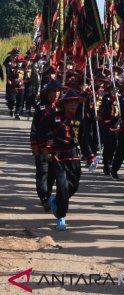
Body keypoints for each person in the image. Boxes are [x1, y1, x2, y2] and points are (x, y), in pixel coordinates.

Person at [40, 91, 96, 231]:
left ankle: (56, 201)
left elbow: (84, 141)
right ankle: (61, 216)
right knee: (62, 186)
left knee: (73, 186)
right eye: (69, 102)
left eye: (75, 102)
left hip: (74, 157)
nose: (72, 105)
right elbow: (45, 134)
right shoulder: (54, 117)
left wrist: (90, 156)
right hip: (58, 157)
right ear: (64, 104)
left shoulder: (79, 120)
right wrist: (46, 150)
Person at [30, 79, 63, 211]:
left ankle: (48, 194)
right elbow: (34, 128)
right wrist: (34, 145)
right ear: (48, 92)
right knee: (42, 172)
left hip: (57, 147)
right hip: (42, 145)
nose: (55, 94)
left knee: (52, 174)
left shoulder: (62, 107)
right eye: (53, 92)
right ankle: (44, 197)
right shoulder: (41, 108)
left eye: (58, 92)